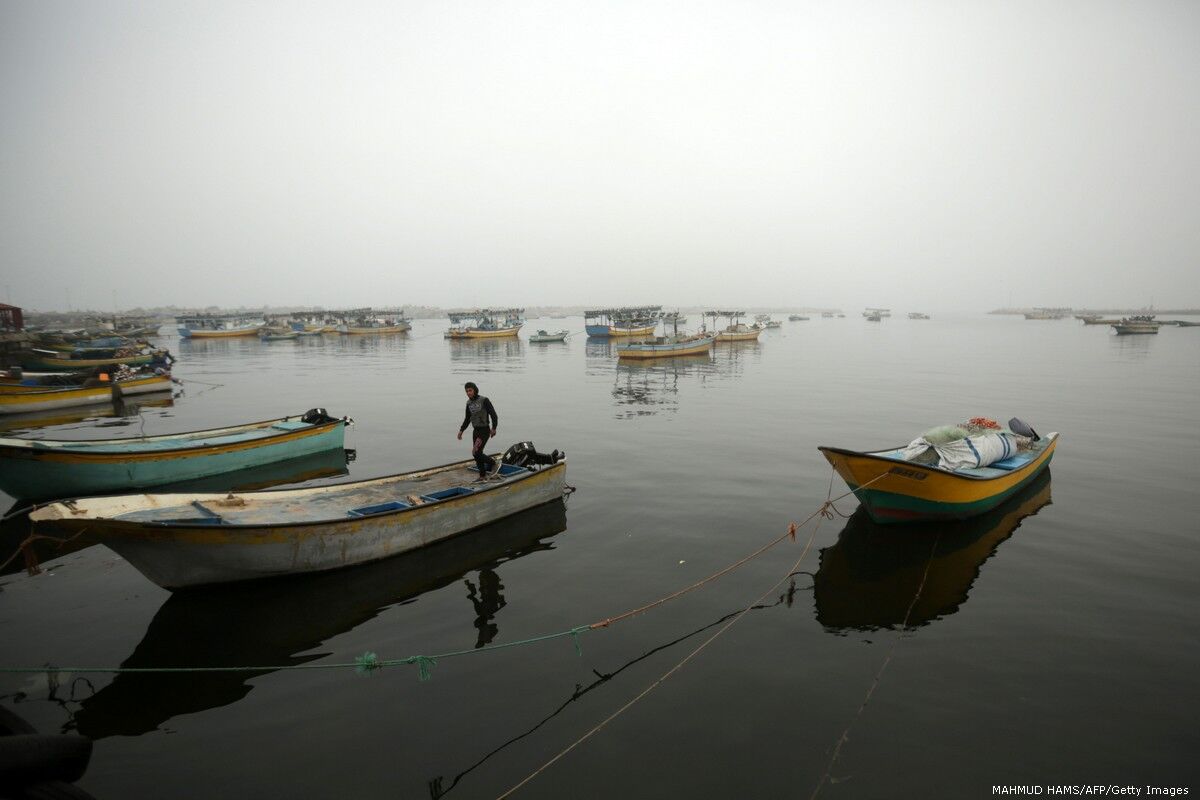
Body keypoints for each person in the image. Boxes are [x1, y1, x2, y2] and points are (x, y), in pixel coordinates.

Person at [457, 381, 499, 480]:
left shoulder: (484, 400)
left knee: (476, 453)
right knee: (477, 454)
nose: (468, 393)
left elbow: (493, 415)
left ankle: (493, 463)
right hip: (475, 431)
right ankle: (482, 475)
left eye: (470, 390)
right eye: (466, 391)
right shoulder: (468, 403)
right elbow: (467, 419)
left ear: (475, 390)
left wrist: (494, 428)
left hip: (484, 430)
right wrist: (461, 430)